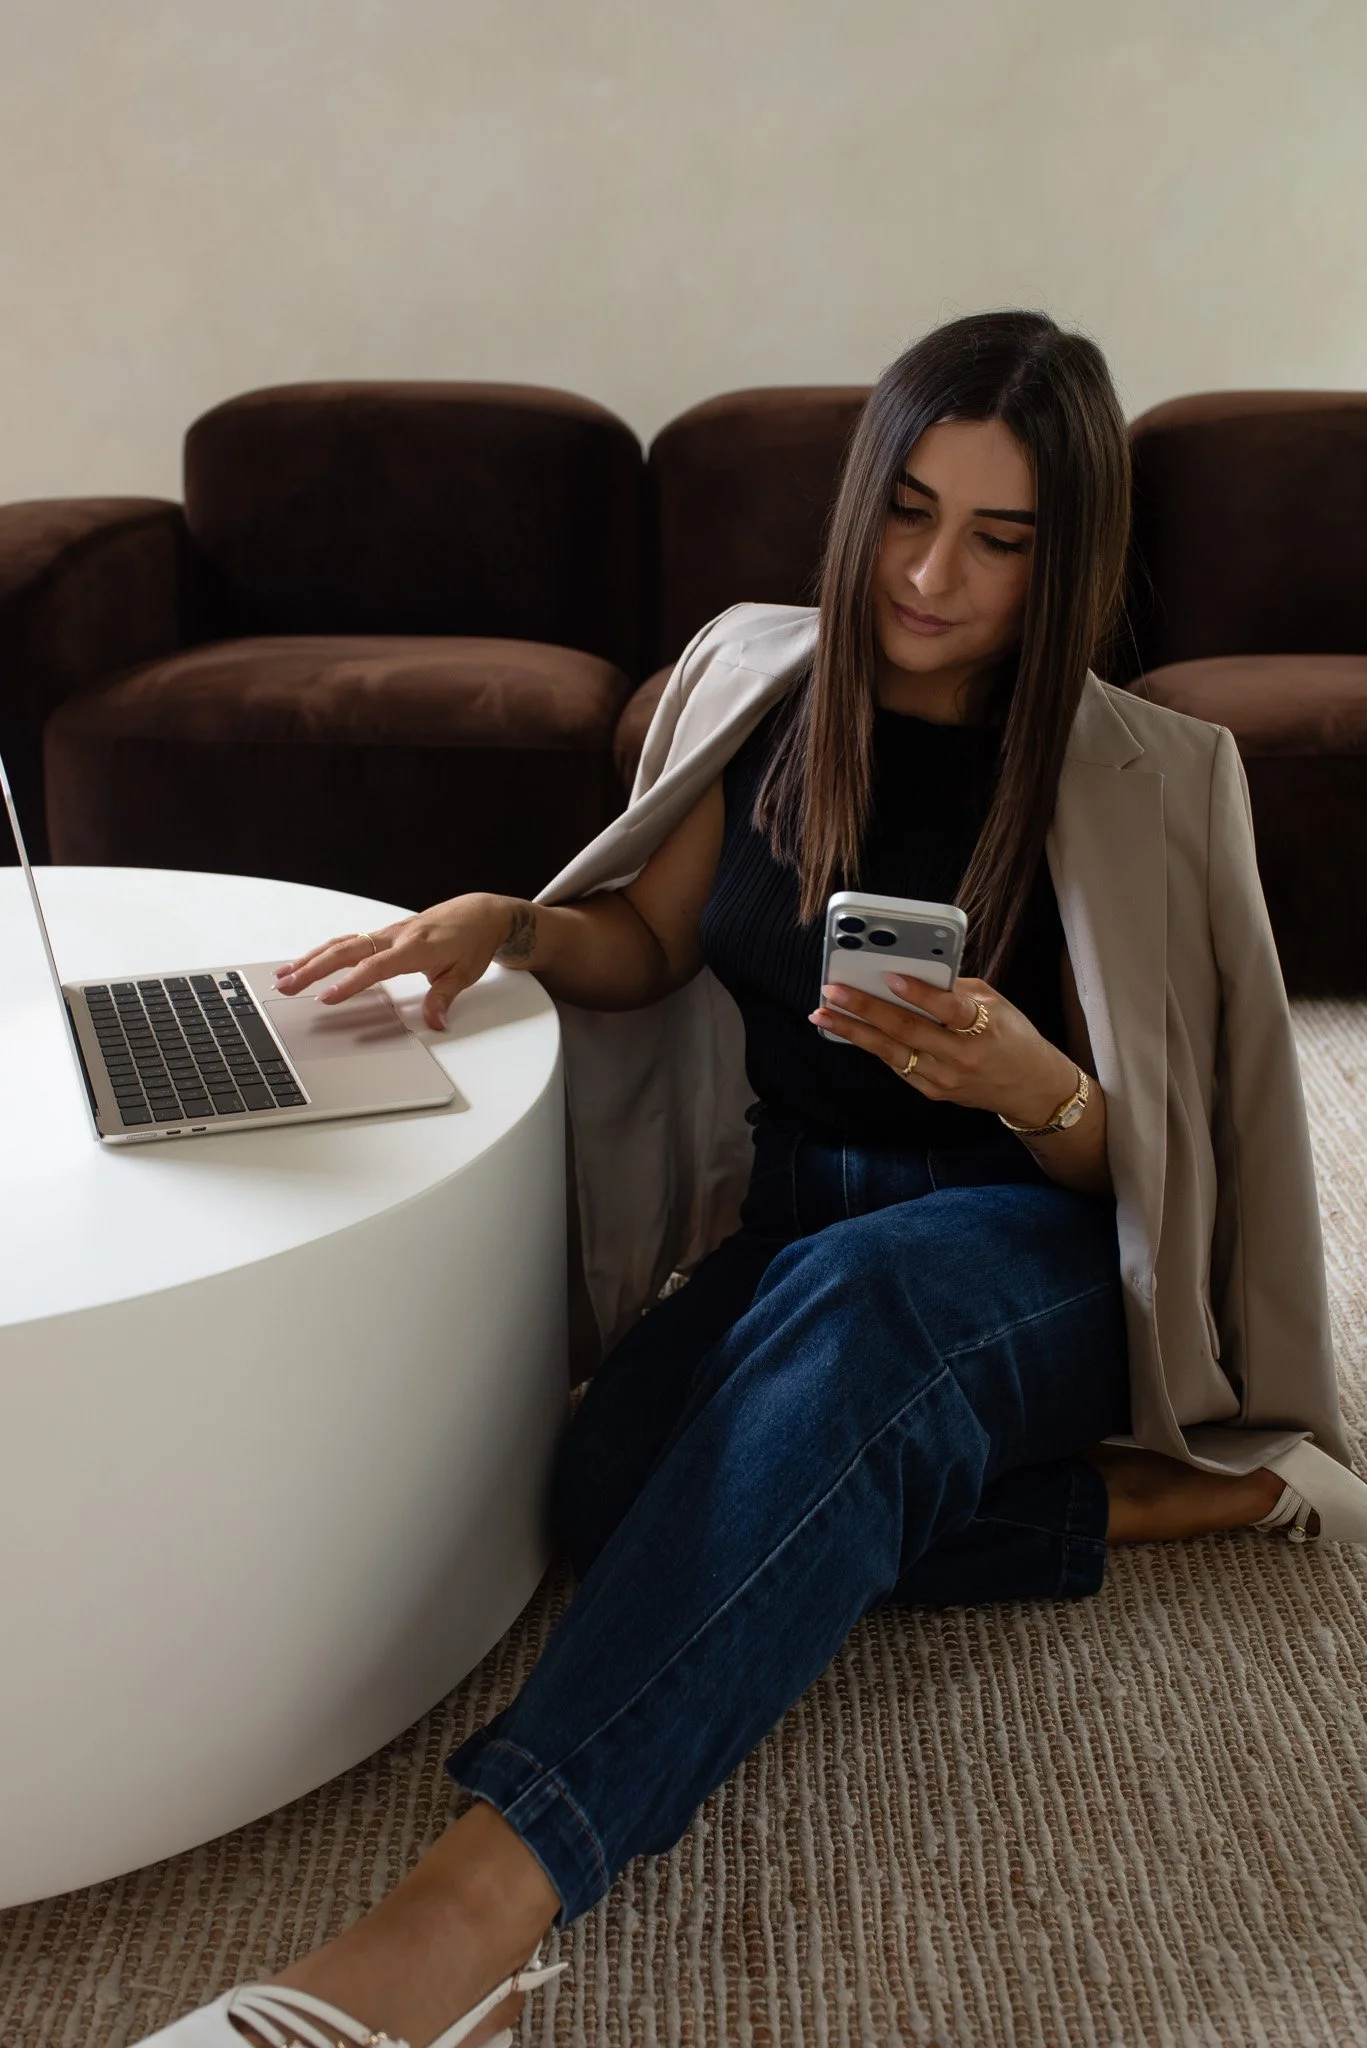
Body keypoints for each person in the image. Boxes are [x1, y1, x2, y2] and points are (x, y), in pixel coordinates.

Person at [141, 312, 1367, 2048]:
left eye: (1001, 541)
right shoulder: (764, 688)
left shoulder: (1157, 778)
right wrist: (514, 926)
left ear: (1069, 556)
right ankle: (1144, 1505)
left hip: (1039, 1249)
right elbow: (650, 941)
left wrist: (1035, 1088)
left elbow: (1179, 1164)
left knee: (858, 1324)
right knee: (606, 1495)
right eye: (908, 511)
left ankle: (458, 1927)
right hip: (804, 1220)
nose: (933, 574)